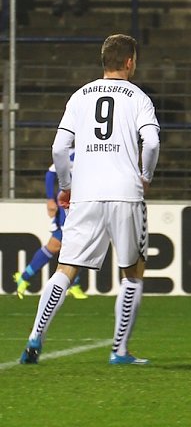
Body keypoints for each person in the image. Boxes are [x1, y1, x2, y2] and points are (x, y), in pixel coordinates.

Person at [18, 34, 160, 365]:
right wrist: (146, 177)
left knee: (65, 269)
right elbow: (151, 144)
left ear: (104, 61)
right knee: (133, 272)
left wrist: (66, 185)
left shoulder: (80, 95)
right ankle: (119, 350)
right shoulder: (138, 97)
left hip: (85, 194)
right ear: (129, 62)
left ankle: (35, 337)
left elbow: (58, 149)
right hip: (126, 193)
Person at [14, 156, 88, 301]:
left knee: (65, 244)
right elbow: (50, 173)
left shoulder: (95, 152)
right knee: (60, 244)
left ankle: (24, 277)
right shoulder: (71, 154)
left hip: (84, 204)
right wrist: (49, 199)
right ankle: (25, 277)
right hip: (67, 206)